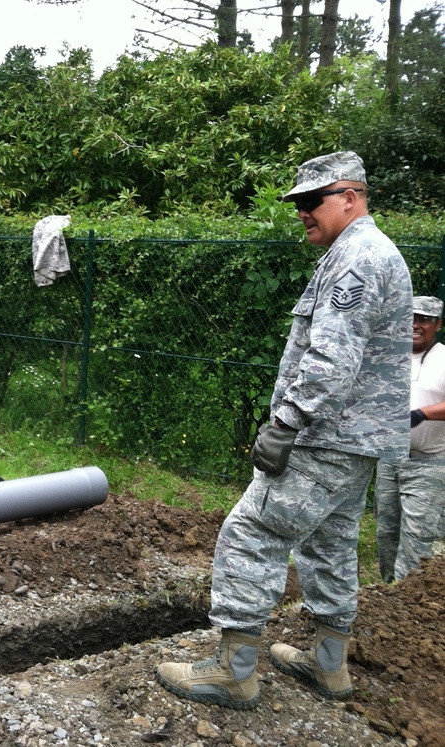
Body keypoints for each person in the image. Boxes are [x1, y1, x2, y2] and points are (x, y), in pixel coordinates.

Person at [155, 151, 412, 708]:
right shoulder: (362, 252)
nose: (302, 212)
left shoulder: (358, 258)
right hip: (355, 440)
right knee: (331, 545)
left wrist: (286, 422)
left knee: (253, 534)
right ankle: (329, 666)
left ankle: (233, 671)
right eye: (297, 203)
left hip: (325, 436)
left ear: (351, 196)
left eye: (312, 200)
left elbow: (332, 359)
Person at [373, 295, 445, 583]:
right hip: (390, 459)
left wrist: (423, 414)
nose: (416, 324)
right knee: (386, 533)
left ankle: (413, 605)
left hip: (430, 462)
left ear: (437, 324)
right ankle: (389, 599)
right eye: (411, 317)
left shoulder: (443, 358)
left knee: (417, 538)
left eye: (424, 319)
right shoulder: (390, 356)